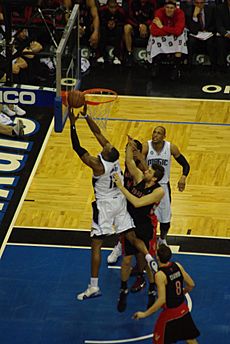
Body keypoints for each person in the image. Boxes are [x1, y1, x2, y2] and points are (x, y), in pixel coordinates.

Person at [68, 105, 158, 300]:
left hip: (105, 205)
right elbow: (97, 132)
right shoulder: (113, 157)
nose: (105, 144)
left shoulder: (98, 165)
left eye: (106, 147)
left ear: (106, 154)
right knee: (131, 235)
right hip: (120, 200)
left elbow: (77, 148)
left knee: (96, 244)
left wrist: (73, 125)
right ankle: (149, 257)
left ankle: (93, 286)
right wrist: (87, 115)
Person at [113, 137, 165, 312]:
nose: (146, 170)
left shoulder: (158, 191)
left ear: (155, 177)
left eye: (149, 170)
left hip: (145, 225)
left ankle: (151, 289)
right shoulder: (140, 177)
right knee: (127, 260)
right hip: (130, 223)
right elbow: (129, 161)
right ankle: (123, 289)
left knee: (147, 259)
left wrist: (121, 187)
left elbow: (137, 202)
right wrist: (129, 147)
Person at [133, 244, 200, 344]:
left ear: (158, 257)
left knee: (158, 341)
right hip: (183, 310)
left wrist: (144, 314)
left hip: (170, 314)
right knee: (190, 339)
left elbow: (161, 300)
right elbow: (191, 284)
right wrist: (181, 293)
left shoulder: (160, 275)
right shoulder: (178, 265)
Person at [142, 126, 190, 245]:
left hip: (163, 186)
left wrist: (183, 177)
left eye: (159, 133)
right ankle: (143, 239)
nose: (155, 135)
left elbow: (186, 165)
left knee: (165, 220)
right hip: (148, 185)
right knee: (143, 216)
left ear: (164, 136)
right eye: (154, 132)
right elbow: (138, 164)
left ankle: (162, 239)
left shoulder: (171, 148)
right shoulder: (146, 147)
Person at [147, 0, 188, 80]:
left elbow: (178, 31)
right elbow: (154, 31)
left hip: (175, 36)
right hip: (164, 35)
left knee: (180, 38)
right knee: (155, 38)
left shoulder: (180, 13)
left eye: (171, 8)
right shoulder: (159, 12)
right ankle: (155, 65)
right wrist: (170, 31)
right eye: (167, 7)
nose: (169, 10)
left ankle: (176, 68)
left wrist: (162, 27)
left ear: (175, 9)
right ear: (164, 8)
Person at [185, 0, 216, 70]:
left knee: (211, 42)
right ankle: (189, 64)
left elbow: (214, 24)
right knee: (191, 41)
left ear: (205, 3)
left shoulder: (211, 9)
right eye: (197, 3)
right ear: (193, 3)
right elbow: (193, 30)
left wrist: (208, 31)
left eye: (201, 3)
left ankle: (214, 65)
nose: (199, 5)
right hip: (195, 34)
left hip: (208, 33)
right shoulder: (189, 11)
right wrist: (195, 16)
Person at [124, 0, 155, 66]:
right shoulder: (131, 2)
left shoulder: (152, 2)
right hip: (135, 25)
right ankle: (129, 54)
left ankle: (153, 55)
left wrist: (145, 25)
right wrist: (139, 25)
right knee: (127, 28)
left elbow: (154, 17)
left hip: (147, 26)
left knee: (153, 27)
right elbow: (128, 17)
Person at [97, 0, 126, 64]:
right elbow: (99, 21)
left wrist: (116, 24)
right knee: (102, 30)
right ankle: (102, 55)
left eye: (115, 7)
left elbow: (124, 22)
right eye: (111, 7)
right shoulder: (101, 10)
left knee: (120, 30)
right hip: (105, 29)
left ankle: (117, 56)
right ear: (107, 6)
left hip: (116, 30)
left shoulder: (121, 11)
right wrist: (106, 23)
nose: (113, 9)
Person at [216, 0, 230, 72]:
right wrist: (226, 34)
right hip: (225, 33)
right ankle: (222, 67)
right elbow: (219, 25)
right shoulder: (220, 8)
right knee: (220, 41)